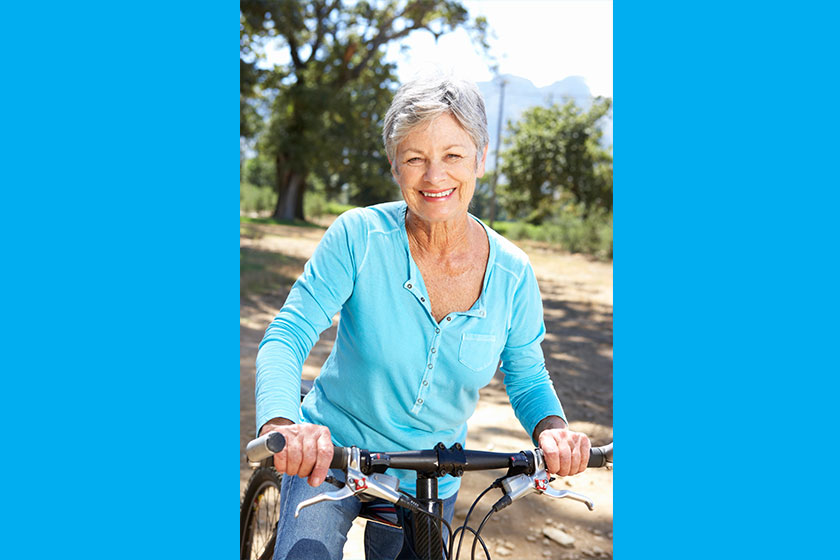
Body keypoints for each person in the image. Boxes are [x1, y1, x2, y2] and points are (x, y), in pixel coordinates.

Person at [255, 74, 590, 560]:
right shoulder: (360, 237)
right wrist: (283, 426)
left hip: (433, 472)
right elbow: (288, 333)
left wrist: (553, 431)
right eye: (415, 158)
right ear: (394, 165)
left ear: (481, 156)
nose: (434, 177)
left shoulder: (513, 272)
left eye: (453, 155)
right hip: (332, 456)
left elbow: (527, 374)